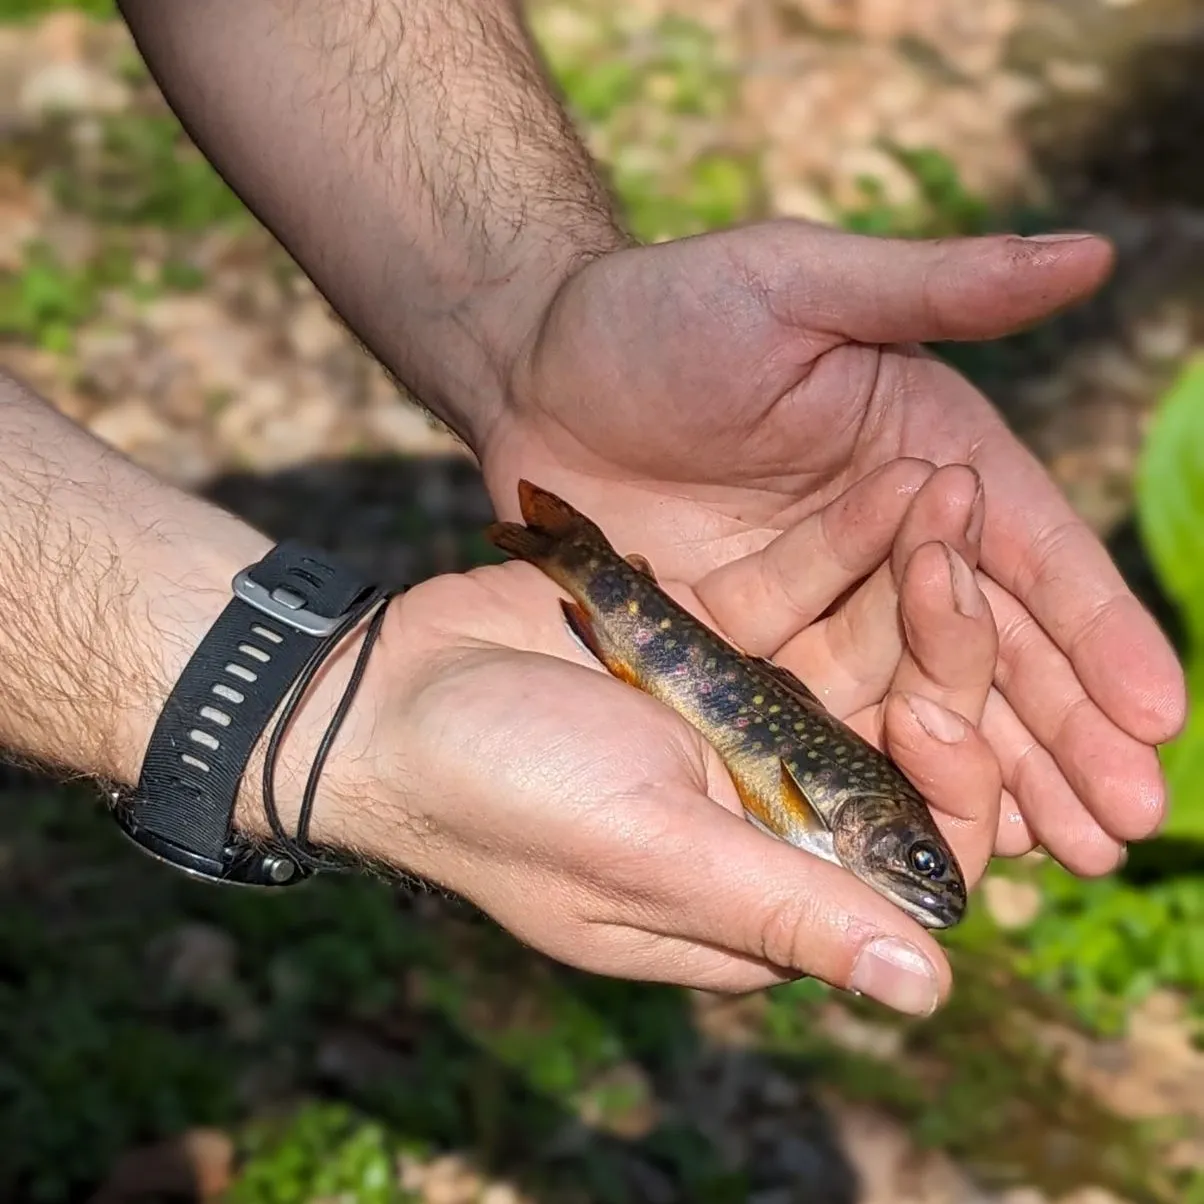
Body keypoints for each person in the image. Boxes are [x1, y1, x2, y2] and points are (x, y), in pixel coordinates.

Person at [0, 1, 1183, 1019]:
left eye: (916, 866)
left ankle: (579, 549)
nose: (919, 877)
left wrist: (524, 313)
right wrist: (311, 719)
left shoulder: (836, 794)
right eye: (916, 861)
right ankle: (584, 568)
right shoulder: (830, 801)